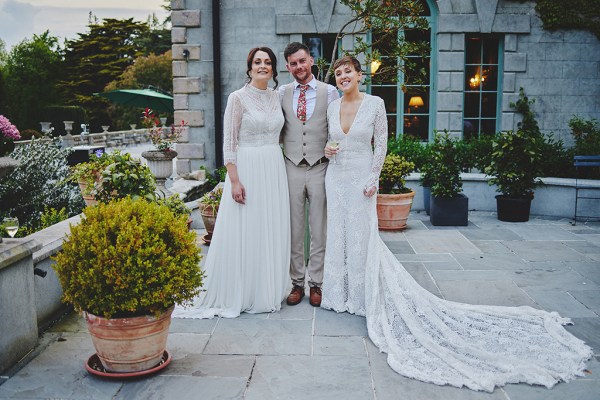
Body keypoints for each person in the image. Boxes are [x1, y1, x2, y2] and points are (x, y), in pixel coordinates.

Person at [322, 56, 592, 392]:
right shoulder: (332, 108)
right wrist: (329, 150)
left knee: (363, 237)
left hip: (362, 177)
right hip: (336, 179)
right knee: (338, 235)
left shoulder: (375, 104)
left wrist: (374, 178)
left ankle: (363, 297)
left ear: (359, 75)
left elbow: (382, 144)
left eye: (348, 71)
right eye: (338, 73)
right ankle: (339, 295)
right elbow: (328, 143)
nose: (343, 76)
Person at [174, 47, 290, 318]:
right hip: (248, 168)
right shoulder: (237, 98)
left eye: (268, 62)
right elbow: (229, 142)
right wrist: (234, 181)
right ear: (249, 67)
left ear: (273, 69)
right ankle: (243, 290)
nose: (263, 66)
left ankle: (268, 288)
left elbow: (283, 134)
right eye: (257, 62)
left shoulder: (277, 97)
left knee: (269, 227)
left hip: (274, 167)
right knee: (247, 229)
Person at [278, 42, 339, 307]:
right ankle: (296, 283)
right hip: (291, 165)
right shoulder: (281, 93)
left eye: (302, 61)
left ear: (311, 60)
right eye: (293, 63)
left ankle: (317, 282)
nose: (299, 67)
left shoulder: (331, 92)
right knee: (294, 228)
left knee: (318, 228)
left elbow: (338, 129)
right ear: (287, 66)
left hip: (320, 167)